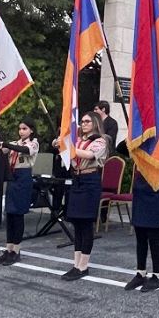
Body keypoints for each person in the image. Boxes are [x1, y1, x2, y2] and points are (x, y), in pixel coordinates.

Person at [54, 111, 108, 280]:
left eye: (87, 121)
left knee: (85, 223)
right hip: (77, 179)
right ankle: (76, 264)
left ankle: (84, 265)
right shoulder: (78, 140)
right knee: (76, 222)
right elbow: (63, 148)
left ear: (95, 123)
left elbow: (89, 155)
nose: (83, 124)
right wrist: (61, 142)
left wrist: (68, 147)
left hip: (90, 180)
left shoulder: (100, 140)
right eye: (82, 121)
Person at [118, 122, 159, 293]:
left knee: (152, 235)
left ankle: (157, 275)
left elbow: (155, 158)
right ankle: (140, 272)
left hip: (155, 192)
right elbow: (120, 148)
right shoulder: (140, 144)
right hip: (140, 190)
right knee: (140, 234)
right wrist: (133, 134)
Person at [0, 118, 39, 266]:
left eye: (24, 129)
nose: (21, 131)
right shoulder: (15, 143)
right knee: (10, 214)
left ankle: (16, 250)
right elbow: (1, 149)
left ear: (31, 130)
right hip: (12, 176)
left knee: (18, 214)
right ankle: (8, 248)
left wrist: (8, 145)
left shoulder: (33, 143)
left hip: (23, 177)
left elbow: (25, 150)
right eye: (20, 129)